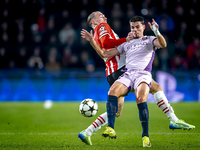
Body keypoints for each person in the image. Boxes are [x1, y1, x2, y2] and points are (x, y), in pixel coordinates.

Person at [78, 12, 195, 147]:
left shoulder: (98, 33)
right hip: (121, 69)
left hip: (113, 70)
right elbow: (106, 44)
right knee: (152, 89)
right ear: (93, 21)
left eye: (104, 15)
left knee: (120, 109)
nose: (104, 17)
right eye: (100, 15)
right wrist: (125, 40)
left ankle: (88, 132)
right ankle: (171, 121)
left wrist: (92, 41)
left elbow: (103, 53)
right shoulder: (102, 26)